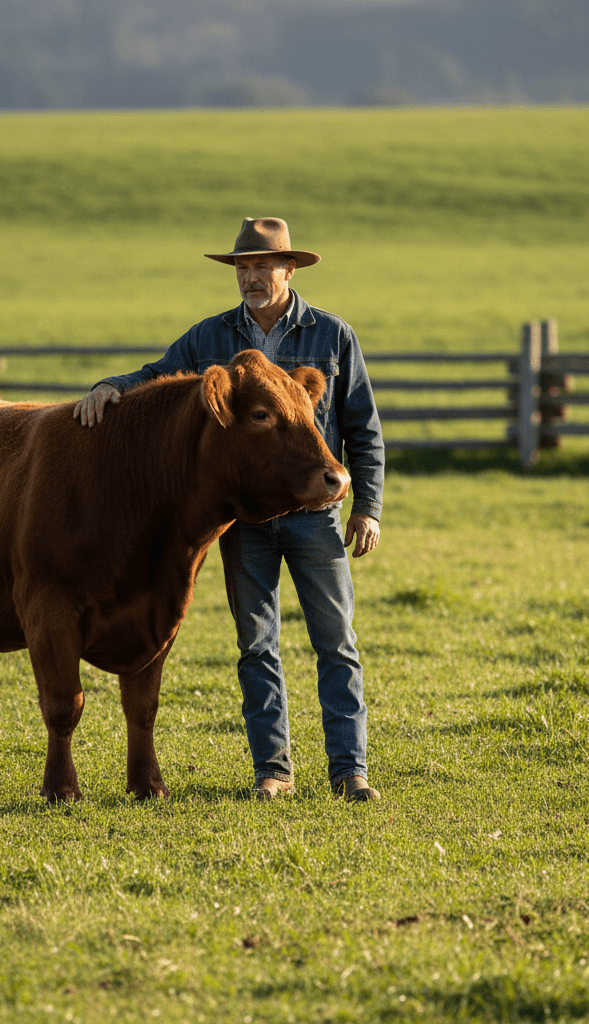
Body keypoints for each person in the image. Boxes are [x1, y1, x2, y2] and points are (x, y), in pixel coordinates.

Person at [73, 217, 385, 802]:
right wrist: (107, 387)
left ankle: (350, 770)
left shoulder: (332, 336)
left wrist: (367, 507)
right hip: (245, 518)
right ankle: (274, 771)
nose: (251, 278)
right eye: (242, 269)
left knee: (335, 640)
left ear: (288, 270)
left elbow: (363, 429)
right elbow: (154, 378)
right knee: (257, 643)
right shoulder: (210, 338)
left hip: (316, 517)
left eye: (262, 267)